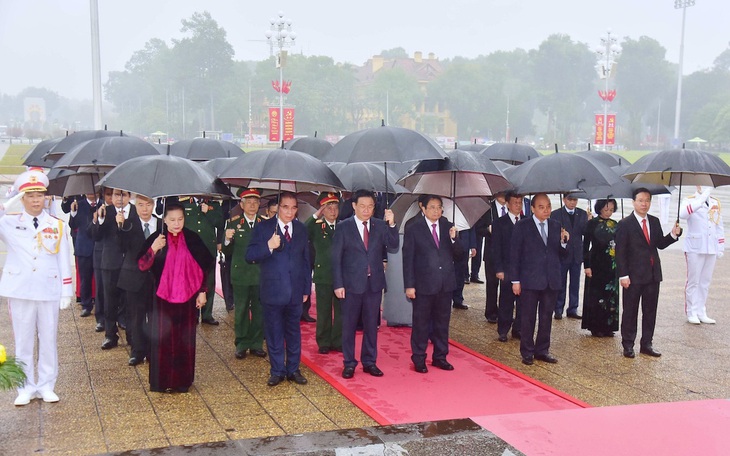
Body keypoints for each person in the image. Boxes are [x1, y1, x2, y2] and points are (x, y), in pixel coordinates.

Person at [0, 170, 73, 405]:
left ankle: (46, 385)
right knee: (22, 340)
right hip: (20, 289)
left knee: (49, 338)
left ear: (46, 198)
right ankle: (25, 387)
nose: (35, 200)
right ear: (22, 198)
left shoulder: (56, 225)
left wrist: (66, 291)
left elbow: (63, 259)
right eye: (30, 196)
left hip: (48, 289)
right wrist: (7, 203)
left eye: (39, 195)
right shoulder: (9, 223)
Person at [137, 202, 214, 393]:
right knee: (162, 340)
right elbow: (141, 265)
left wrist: (202, 291)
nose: (176, 223)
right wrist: (153, 249)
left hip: (187, 298)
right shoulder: (158, 238)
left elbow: (206, 264)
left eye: (180, 219)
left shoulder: (192, 238)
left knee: (184, 340)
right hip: (162, 298)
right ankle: (161, 381)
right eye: (172, 220)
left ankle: (182, 381)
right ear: (164, 220)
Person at [332, 189, 399, 379]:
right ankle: (349, 362)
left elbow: (393, 245)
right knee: (349, 326)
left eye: (370, 206)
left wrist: (392, 223)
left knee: (371, 325)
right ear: (354, 206)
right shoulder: (343, 227)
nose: (366, 210)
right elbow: (335, 258)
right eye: (362, 206)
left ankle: (369, 361)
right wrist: (338, 284)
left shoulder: (379, 225)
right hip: (351, 284)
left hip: (374, 284)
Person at [246, 192, 311, 387]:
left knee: (294, 332)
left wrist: (307, 287)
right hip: (273, 290)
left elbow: (306, 260)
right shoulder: (264, 228)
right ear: (277, 207)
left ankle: (293, 369)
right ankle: (277, 371)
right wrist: (269, 246)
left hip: (295, 291)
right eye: (285, 207)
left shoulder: (301, 229)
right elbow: (249, 255)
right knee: (274, 333)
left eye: (293, 208)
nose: (289, 212)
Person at [615, 188, 681, 358]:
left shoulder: (654, 221)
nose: (644, 204)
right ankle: (628, 345)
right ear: (634, 202)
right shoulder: (625, 224)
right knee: (630, 311)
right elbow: (620, 252)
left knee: (650, 311)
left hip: (652, 274)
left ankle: (647, 344)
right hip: (633, 276)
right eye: (641, 200)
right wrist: (623, 275)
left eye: (647, 201)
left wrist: (673, 235)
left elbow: (659, 244)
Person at [402, 195, 464, 373]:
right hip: (423, 284)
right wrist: (409, 285)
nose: (437, 211)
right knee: (421, 323)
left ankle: (440, 356)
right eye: (433, 207)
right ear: (423, 208)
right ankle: (419, 358)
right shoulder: (414, 228)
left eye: (439, 207)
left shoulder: (447, 225)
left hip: (445, 284)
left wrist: (454, 239)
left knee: (442, 323)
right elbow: (408, 259)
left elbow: (459, 255)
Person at [510, 193, 569, 365]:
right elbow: (515, 255)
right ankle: (527, 351)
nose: (546, 210)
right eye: (541, 207)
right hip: (530, 279)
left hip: (551, 279)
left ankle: (542, 350)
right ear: (533, 208)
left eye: (548, 206)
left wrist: (564, 242)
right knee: (528, 317)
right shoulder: (522, 226)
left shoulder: (556, 225)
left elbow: (562, 254)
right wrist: (515, 280)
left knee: (546, 317)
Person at [223, 188, 267, 360]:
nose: (252, 205)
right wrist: (226, 239)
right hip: (240, 274)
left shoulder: (265, 223)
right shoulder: (233, 223)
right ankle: (241, 343)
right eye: (248, 202)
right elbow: (226, 251)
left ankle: (256, 343)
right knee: (240, 310)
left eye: (255, 202)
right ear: (241, 205)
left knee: (259, 310)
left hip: (259, 274)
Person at [117, 194, 159, 366]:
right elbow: (121, 247)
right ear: (135, 205)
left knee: (155, 316)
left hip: (156, 278)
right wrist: (120, 226)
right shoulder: (128, 224)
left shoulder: (162, 224)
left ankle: (153, 350)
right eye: (140, 205)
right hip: (133, 277)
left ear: (154, 205)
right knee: (136, 316)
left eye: (148, 204)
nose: (144, 209)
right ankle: (137, 351)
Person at [91, 188, 135, 349]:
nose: (119, 198)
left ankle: (132, 335)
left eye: (123, 194)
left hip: (130, 264)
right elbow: (95, 235)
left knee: (130, 301)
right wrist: (99, 220)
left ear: (130, 196)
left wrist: (123, 224)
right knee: (109, 301)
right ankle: (110, 335)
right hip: (110, 263)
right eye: (116, 195)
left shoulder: (135, 212)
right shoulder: (105, 211)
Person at [680, 186, 724, 324]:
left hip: (711, 246)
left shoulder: (715, 202)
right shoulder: (689, 200)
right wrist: (701, 199)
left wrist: (720, 245)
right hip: (695, 246)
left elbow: (719, 225)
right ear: (697, 185)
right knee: (693, 281)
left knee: (705, 282)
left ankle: (701, 310)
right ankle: (691, 311)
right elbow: (683, 214)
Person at [305, 192, 343, 354]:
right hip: (323, 274)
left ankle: (338, 340)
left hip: (341, 275)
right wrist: (316, 215)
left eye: (335, 207)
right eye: (328, 208)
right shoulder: (316, 226)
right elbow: (303, 230)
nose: (333, 211)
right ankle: (324, 342)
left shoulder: (343, 226)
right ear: (322, 209)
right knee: (324, 310)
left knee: (341, 311)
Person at [178, 196, 224, 325]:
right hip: (190, 249)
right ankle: (192, 313)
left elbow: (220, 223)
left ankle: (207, 314)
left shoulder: (214, 204)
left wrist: (208, 212)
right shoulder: (184, 202)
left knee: (209, 282)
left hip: (208, 248)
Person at [581, 199, 619, 337]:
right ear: (600, 208)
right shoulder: (591, 224)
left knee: (611, 295)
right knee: (596, 295)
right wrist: (587, 265)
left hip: (611, 263)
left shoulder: (616, 225)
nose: (608, 212)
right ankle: (595, 326)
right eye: (606, 209)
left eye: (611, 209)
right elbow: (585, 246)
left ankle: (609, 326)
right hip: (596, 262)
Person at [491, 191, 525, 342]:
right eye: (515, 203)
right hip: (506, 267)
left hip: (524, 269)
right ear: (508, 204)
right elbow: (495, 248)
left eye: (520, 202)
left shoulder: (526, 221)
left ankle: (518, 329)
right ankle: (503, 330)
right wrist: (499, 269)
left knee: (523, 302)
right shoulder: (499, 223)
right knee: (506, 300)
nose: (518, 206)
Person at [551, 195, 588, 319]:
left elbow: (585, 232)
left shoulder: (582, 214)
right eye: (570, 200)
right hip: (562, 252)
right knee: (560, 281)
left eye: (575, 200)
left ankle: (573, 308)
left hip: (577, 253)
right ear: (564, 199)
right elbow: (551, 233)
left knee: (575, 283)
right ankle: (558, 308)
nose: (572, 202)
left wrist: (590, 221)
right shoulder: (556, 214)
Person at [68, 193, 100, 319]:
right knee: (85, 279)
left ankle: (100, 305)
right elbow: (73, 225)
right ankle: (86, 305)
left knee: (100, 280)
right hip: (83, 247)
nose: (91, 193)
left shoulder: (103, 204)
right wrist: (73, 212)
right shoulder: (79, 205)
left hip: (99, 247)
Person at [452, 227, 475, 309]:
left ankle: (458, 299)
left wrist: (473, 246)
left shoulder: (467, 216)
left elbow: (472, 228)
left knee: (460, 274)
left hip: (464, 246)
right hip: (449, 247)